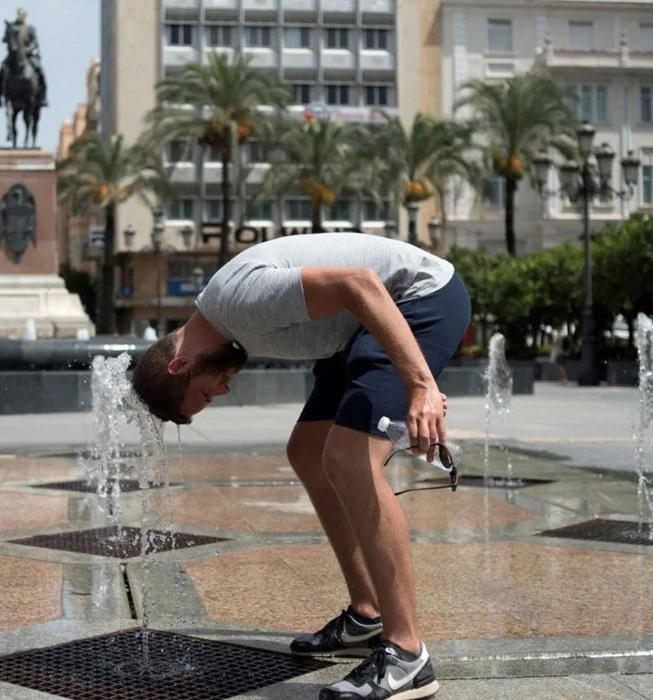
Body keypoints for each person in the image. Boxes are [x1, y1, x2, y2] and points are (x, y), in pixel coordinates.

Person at [132, 232, 470, 700]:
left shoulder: (240, 305)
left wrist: (421, 386)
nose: (224, 392)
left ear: (180, 365)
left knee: (350, 458)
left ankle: (408, 653)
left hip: (417, 299)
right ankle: (367, 614)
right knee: (308, 451)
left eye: (206, 392)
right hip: (357, 329)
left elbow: (360, 283)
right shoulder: (231, 318)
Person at [0, 7, 48, 108]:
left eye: (23, 15)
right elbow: (5, 39)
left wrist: (27, 50)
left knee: (40, 71)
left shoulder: (30, 29)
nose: (21, 16)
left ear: (26, 16)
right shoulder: (13, 28)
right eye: (20, 14)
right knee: (2, 70)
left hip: (28, 56)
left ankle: (43, 97)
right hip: (14, 56)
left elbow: (34, 43)